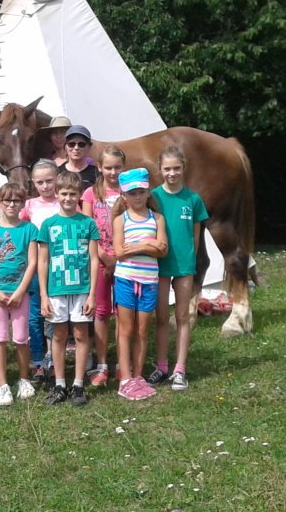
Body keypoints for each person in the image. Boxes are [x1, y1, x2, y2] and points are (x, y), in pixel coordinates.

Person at [36, 171, 100, 407]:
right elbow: (43, 261)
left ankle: (79, 384)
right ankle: (60, 384)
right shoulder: (48, 225)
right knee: (59, 335)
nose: (68, 198)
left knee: (81, 335)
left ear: (79, 195)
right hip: (56, 288)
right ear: (56, 194)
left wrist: (92, 293)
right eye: (64, 193)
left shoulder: (88, 223)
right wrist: (44, 295)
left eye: (73, 194)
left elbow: (94, 259)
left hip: (82, 288)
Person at [149, 145, 209, 392]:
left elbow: (196, 235)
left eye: (176, 168)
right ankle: (162, 366)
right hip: (160, 264)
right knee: (162, 317)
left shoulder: (193, 199)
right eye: (167, 169)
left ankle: (180, 369)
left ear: (184, 168)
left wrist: (190, 262)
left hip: (184, 266)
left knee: (182, 317)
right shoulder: (153, 197)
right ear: (160, 169)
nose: (172, 173)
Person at [112, 168, 168, 401]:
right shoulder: (120, 220)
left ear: (148, 192)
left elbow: (163, 249)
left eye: (141, 192)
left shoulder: (157, 218)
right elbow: (119, 252)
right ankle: (125, 378)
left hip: (149, 281)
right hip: (126, 279)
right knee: (126, 330)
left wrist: (137, 246)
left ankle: (138, 375)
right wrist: (148, 245)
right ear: (124, 196)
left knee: (143, 330)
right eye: (132, 193)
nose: (137, 196)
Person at [0, 183, 38, 406]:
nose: (12, 204)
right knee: (0, 336)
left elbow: (32, 262)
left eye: (17, 201)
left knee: (21, 337)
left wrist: (21, 291)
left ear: (23, 204)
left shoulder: (29, 229)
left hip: (20, 292)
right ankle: (2, 385)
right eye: (7, 200)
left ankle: (24, 379)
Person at [80, 146, 126, 387]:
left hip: (124, 260)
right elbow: (88, 228)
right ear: (99, 167)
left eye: (117, 167)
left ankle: (122, 363)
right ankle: (102, 364)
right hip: (98, 259)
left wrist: (118, 258)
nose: (113, 172)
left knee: (122, 312)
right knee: (101, 312)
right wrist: (104, 257)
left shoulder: (129, 192)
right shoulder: (90, 193)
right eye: (108, 167)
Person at [20, 159, 61, 382]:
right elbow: (20, 230)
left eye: (49, 181)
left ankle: (54, 359)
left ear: (57, 179)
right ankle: (37, 360)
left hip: (60, 266)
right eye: (40, 182)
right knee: (35, 314)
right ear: (33, 183)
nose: (45, 186)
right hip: (36, 267)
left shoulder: (64, 201)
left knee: (56, 314)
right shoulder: (29, 205)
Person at [58, 125, 98, 191]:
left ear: (89, 147)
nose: (76, 148)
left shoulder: (96, 174)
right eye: (71, 144)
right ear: (65, 146)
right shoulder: (57, 172)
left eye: (81, 144)